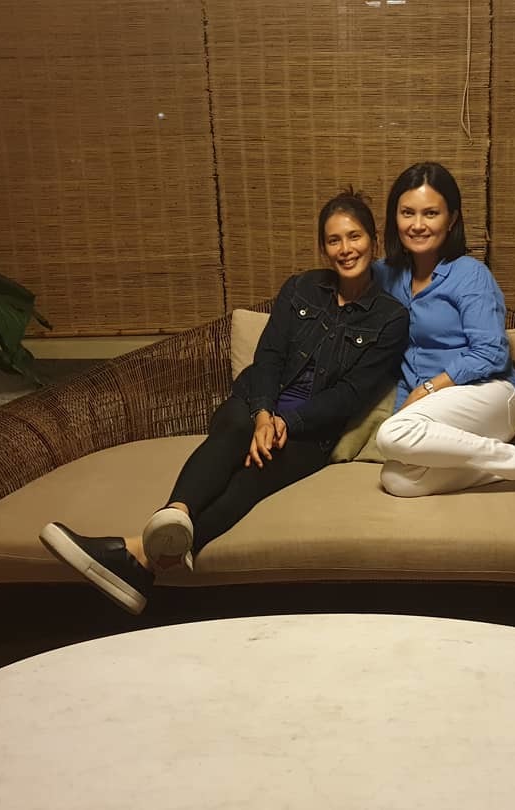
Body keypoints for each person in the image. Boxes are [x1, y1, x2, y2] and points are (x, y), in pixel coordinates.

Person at [40, 189, 409, 614]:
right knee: (234, 429)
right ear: (323, 248)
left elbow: (350, 395)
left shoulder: (390, 318)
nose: (346, 249)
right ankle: (174, 515)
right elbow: (269, 356)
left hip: (312, 433)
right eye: (334, 240)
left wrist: (287, 424)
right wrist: (265, 415)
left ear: (373, 242)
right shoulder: (301, 288)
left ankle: (138, 554)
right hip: (254, 402)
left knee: (253, 477)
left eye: (354, 236)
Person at [372, 161, 515, 498]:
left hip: (490, 395)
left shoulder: (470, 275)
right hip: (436, 412)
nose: (418, 225)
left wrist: (427, 388)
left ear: (452, 219)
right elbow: (347, 274)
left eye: (431, 213)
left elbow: (491, 352)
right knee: (398, 480)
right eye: (407, 213)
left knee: (391, 434)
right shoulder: (387, 276)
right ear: (394, 217)